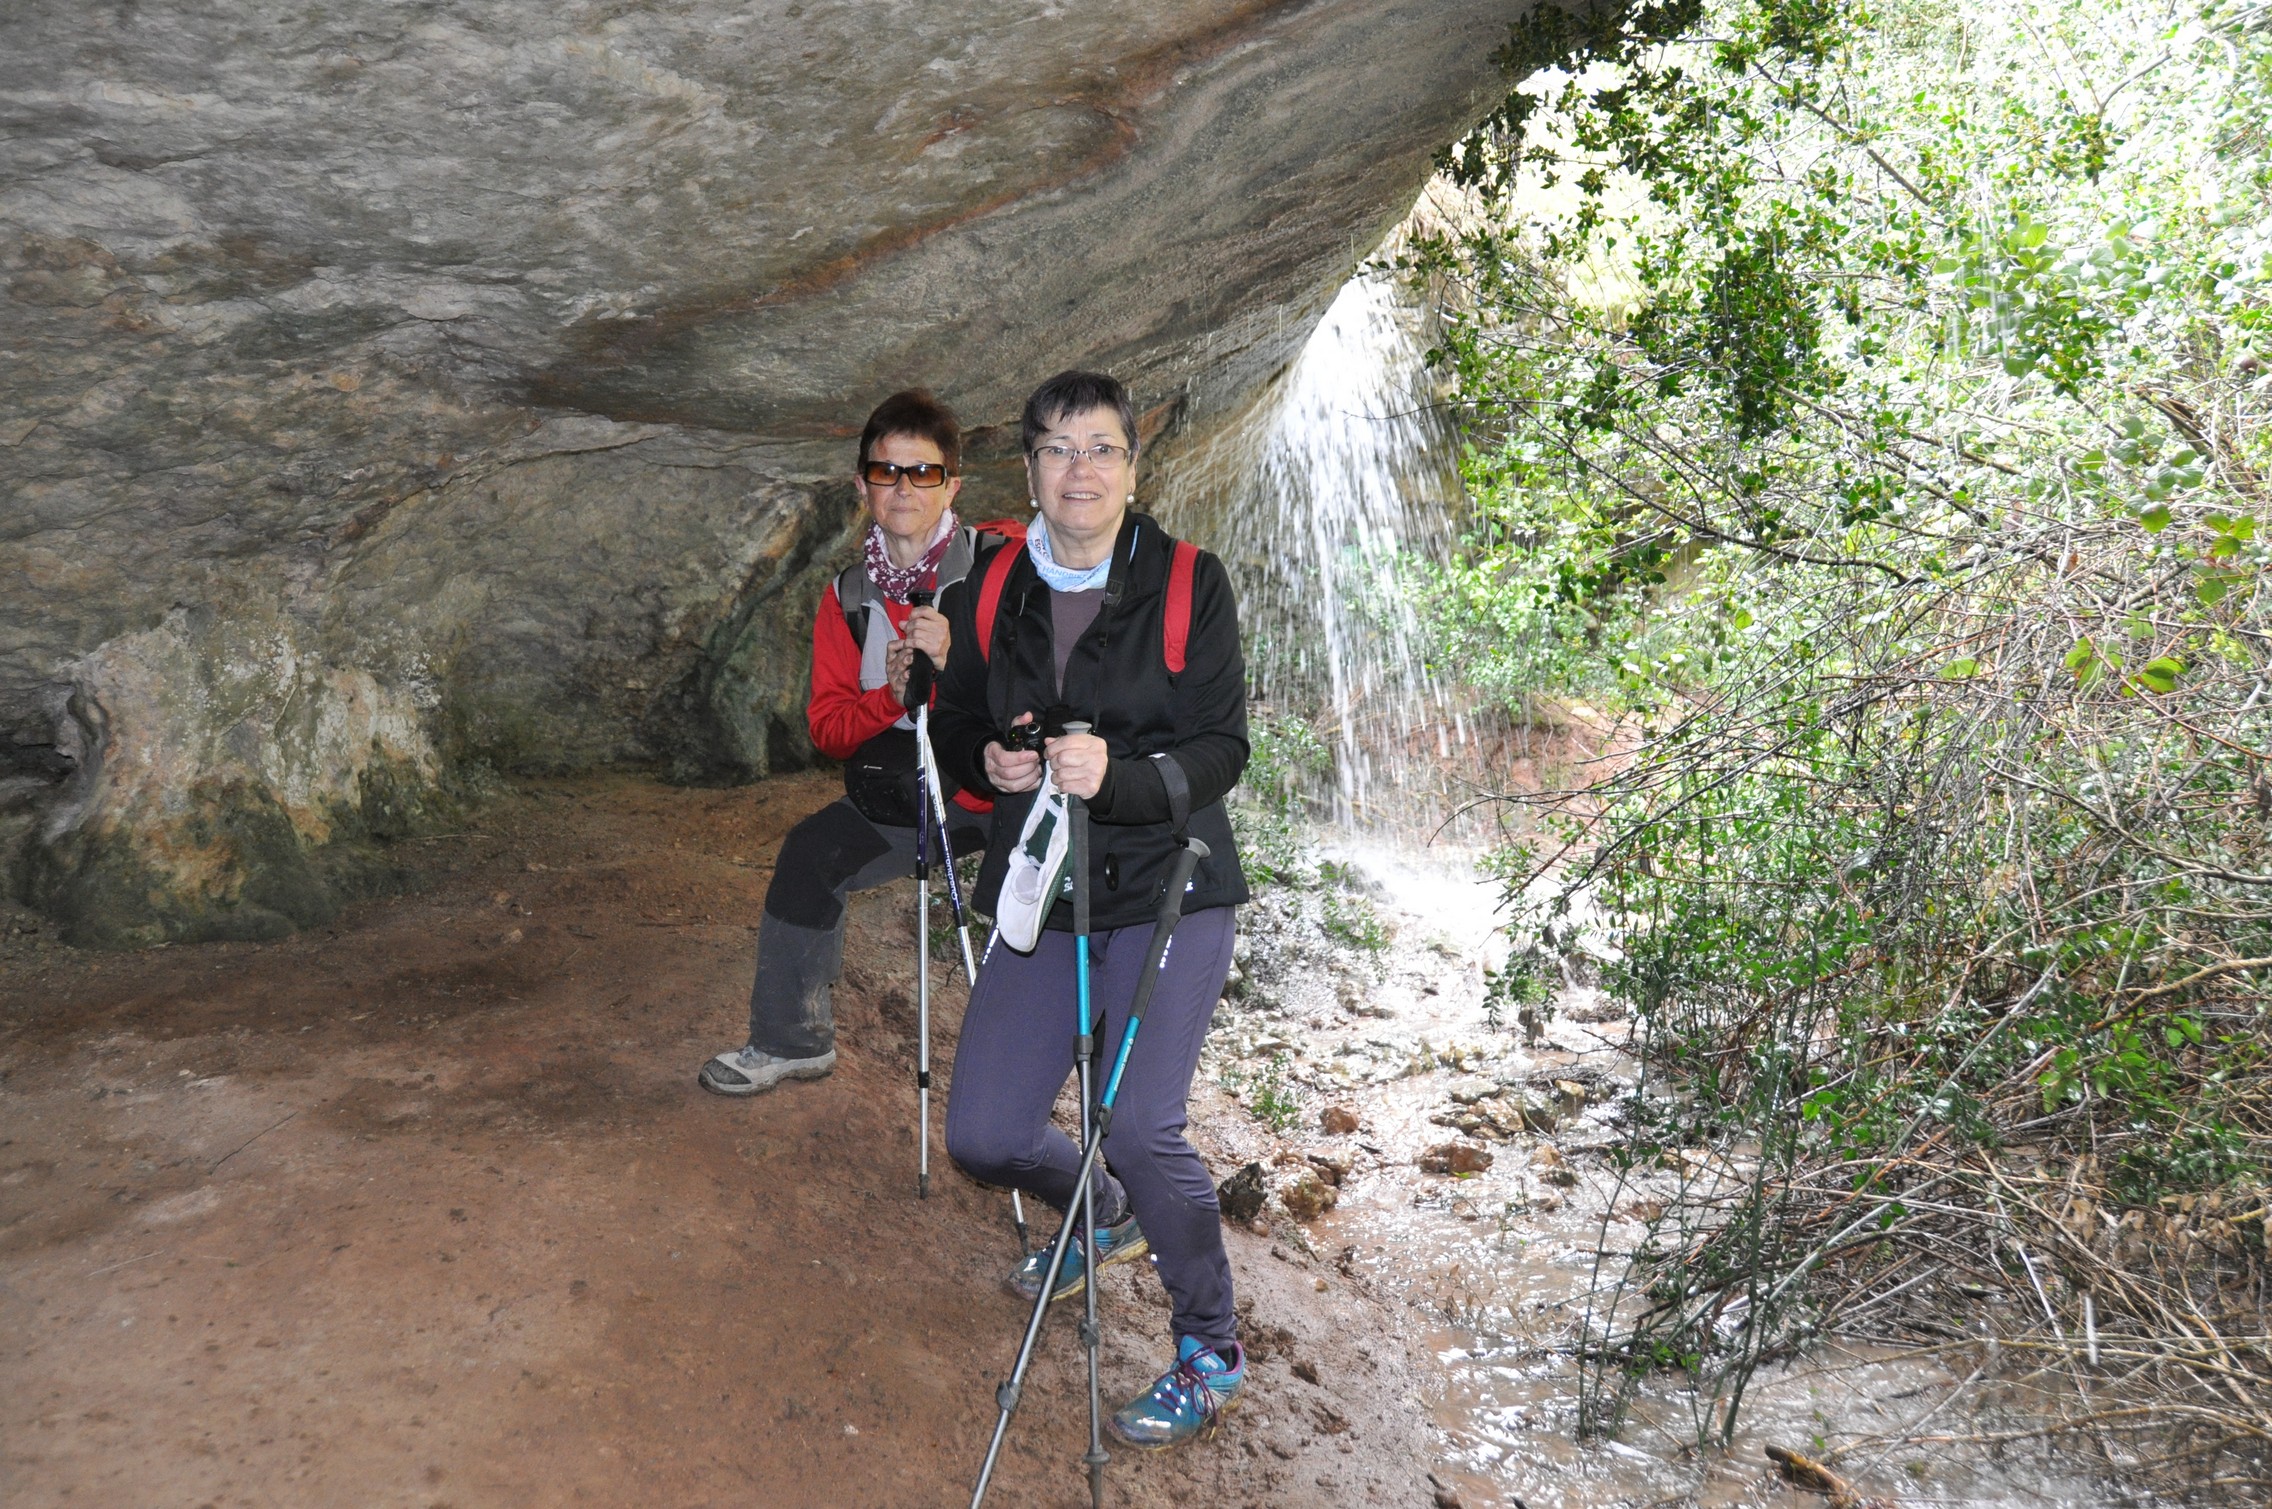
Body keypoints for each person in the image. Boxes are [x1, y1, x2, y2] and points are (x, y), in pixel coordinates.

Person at [934, 370, 1252, 1449]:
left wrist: (1119, 777)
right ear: (1028, 470)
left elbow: (1222, 749)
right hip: (1047, 889)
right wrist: (986, 763)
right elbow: (958, 721)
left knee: (1142, 1128)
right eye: (1059, 450)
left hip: (1170, 887)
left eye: (1103, 448)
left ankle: (1209, 1345)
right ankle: (1099, 1210)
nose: (1082, 470)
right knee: (984, 1135)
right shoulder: (989, 586)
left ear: (1132, 467)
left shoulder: (1189, 582)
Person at [699, 389, 992, 1096]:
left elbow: (1046, 679)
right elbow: (828, 729)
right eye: (886, 472)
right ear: (863, 486)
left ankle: (1049, 1070)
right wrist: (888, 696)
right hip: (911, 794)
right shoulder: (849, 597)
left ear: (951, 485)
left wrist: (958, 663)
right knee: (811, 853)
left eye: (923, 472)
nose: (903, 488)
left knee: (1044, 903)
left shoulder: (999, 567)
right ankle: (790, 1040)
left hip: (1001, 787)